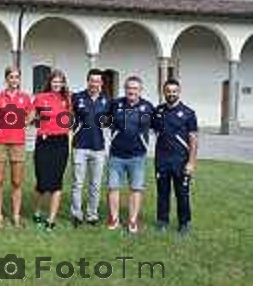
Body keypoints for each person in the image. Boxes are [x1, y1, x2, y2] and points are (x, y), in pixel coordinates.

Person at [107, 75, 155, 234]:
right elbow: (102, 119)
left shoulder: (148, 107)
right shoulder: (115, 104)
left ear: (140, 90)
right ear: (125, 89)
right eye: (129, 88)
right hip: (116, 155)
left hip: (137, 156)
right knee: (113, 187)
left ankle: (132, 220)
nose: (131, 91)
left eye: (135, 88)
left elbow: (157, 126)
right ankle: (114, 219)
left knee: (136, 189)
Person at [153, 79, 198, 235]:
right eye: (168, 91)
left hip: (181, 161)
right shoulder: (158, 111)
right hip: (162, 160)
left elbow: (193, 138)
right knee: (162, 193)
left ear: (179, 92)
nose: (171, 94)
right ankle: (162, 221)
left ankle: (184, 223)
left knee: (182, 193)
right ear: (163, 92)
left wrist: (191, 162)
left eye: (174, 91)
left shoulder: (188, 113)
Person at [0, 67, 33, 227]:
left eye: (17, 77)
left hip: (18, 142)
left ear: (19, 80)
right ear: (6, 79)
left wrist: (25, 122)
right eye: (11, 77)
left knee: (16, 181)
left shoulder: (25, 98)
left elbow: (31, 113)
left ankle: (15, 215)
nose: (14, 80)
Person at [32, 69, 73, 229]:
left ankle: (51, 219)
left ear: (63, 83)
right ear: (49, 82)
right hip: (43, 141)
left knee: (56, 182)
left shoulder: (67, 99)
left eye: (60, 81)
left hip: (60, 142)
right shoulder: (40, 98)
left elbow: (70, 121)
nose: (57, 84)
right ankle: (37, 212)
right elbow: (30, 117)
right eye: (54, 81)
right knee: (42, 181)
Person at [70, 68, 110, 226]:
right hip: (80, 146)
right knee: (77, 183)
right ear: (88, 81)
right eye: (92, 80)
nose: (94, 84)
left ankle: (92, 214)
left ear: (101, 83)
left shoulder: (107, 100)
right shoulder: (77, 97)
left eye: (97, 81)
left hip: (98, 147)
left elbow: (112, 120)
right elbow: (68, 116)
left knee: (95, 184)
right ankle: (76, 214)